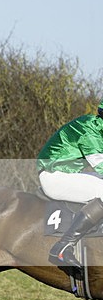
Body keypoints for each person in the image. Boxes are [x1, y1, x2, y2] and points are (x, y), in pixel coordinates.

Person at [37, 98, 103, 270]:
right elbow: (101, 165)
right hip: (53, 175)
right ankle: (64, 246)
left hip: (66, 172)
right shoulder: (90, 130)